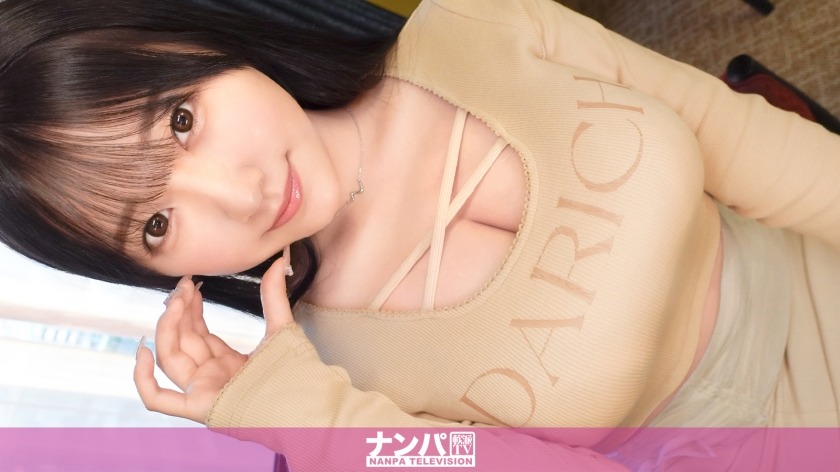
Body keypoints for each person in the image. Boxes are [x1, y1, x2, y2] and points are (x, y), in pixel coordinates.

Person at [2, 0, 839, 469]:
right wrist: (312, 420)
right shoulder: (338, 377)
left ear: (191, 40)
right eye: (155, 223)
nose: (240, 195)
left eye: (180, 120)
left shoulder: (473, 25)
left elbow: (737, 137)